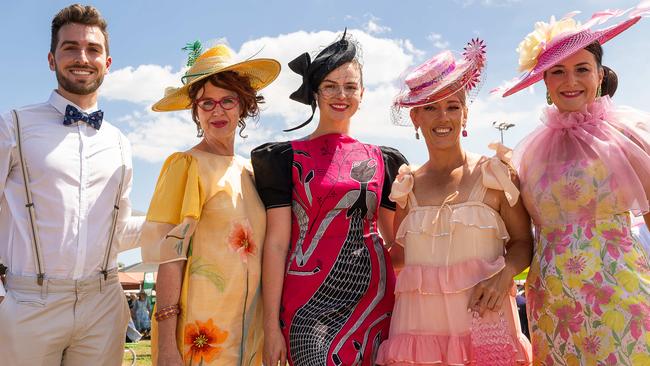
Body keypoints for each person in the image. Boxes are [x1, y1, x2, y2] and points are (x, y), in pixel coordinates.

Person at [501, 7, 650, 365]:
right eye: (558, 72)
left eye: (582, 69)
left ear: (599, 75)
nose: (571, 81)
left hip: (619, 290)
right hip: (551, 298)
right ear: (546, 83)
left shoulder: (629, 133)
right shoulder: (529, 153)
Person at [251, 31, 408, 366]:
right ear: (315, 92)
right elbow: (277, 245)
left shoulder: (386, 160)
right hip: (305, 305)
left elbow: (396, 243)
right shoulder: (283, 158)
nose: (341, 94)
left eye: (350, 86)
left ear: (362, 93)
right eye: (331, 85)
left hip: (374, 300)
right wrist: (270, 325)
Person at [0, 4, 143, 365]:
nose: (82, 57)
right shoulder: (12, 125)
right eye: (70, 48)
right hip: (29, 303)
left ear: (107, 63)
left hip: (103, 304)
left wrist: (188, 218)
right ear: (52, 59)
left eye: (93, 49)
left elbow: (119, 230)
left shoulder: (120, 142)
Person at [375, 39, 533, 366]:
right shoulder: (407, 186)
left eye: (453, 106)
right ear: (415, 117)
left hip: (485, 324)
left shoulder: (495, 173)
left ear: (465, 114)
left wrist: (503, 276)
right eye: (430, 107)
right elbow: (400, 257)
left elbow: (522, 242)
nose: (442, 116)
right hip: (418, 335)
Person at [139, 42, 280, 366]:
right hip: (200, 338)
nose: (218, 111)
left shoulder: (253, 172)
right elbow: (169, 259)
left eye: (227, 100)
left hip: (249, 334)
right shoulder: (186, 166)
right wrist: (165, 347)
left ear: (243, 105)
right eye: (207, 103)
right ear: (196, 111)